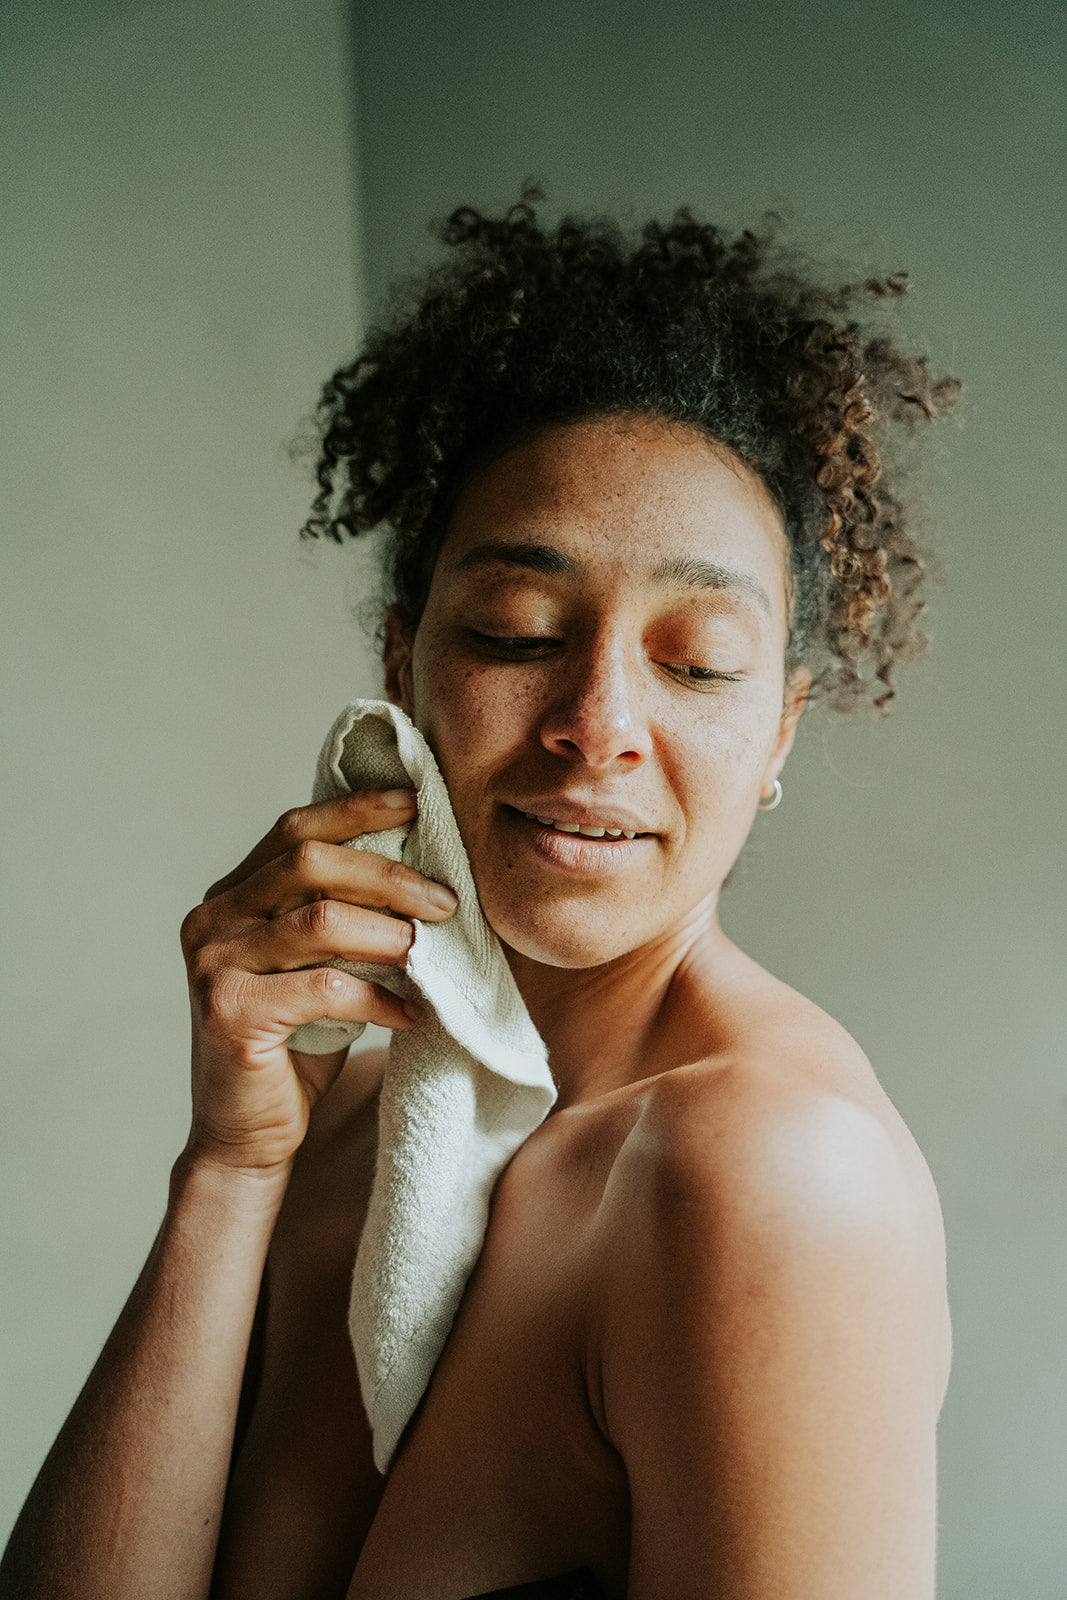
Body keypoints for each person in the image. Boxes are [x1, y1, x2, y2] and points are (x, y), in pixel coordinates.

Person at [1, 192, 961, 1600]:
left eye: (695, 660)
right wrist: (229, 1170)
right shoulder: (352, 1116)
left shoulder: (766, 1182)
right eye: (518, 632)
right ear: (403, 672)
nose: (598, 721)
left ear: (781, 735)